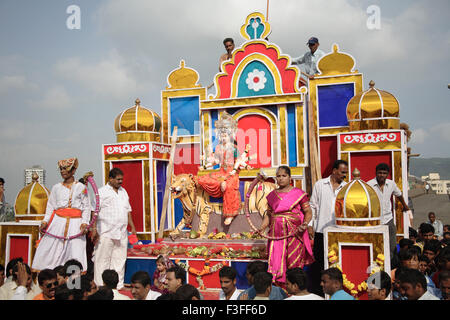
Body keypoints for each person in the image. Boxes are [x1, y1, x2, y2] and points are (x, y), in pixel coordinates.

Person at [32, 158, 91, 272]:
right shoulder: (56, 188)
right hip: (57, 223)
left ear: (73, 170)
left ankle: (74, 285)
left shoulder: (82, 188)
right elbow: (50, 206)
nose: (63, 171)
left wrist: (84, 223)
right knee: (49, 249)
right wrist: (45, 221)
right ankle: (48, 279)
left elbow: (87, 207)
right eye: (61, 169)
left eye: (66, 169)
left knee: (75, 252)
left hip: (76, 225)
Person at [259, 165, 314, 286]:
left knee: (293, 263)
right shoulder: (272, 195)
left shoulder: (298, 193)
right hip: (276, 235)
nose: (281, 178)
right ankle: (280, 290)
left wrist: (305, 224)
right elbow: (268, 215)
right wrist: (261, 228)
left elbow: (308, 212)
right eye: (278, 176)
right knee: (277, 262)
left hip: (294, 234)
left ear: (290, 178)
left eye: (284, 176)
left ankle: (295, 291)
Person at [93, 167, 136, 290]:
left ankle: (118, 285)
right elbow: (94, 211)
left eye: (121, 179)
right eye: (118, 179)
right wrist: (94, 229)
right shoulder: (101, 192)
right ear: (110, 179)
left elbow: (128, 211)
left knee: (119, 259)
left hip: (121, 232)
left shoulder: (123, 192)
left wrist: (132, 226)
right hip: (105, 231)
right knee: (102, 260)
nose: (120, 182)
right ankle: (100, 285)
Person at [309, 160, 348, 296]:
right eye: (342, 172)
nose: (345, 175)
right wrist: (310, 225)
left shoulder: (346, 187)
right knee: (319, 263)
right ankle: (319, 293)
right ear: (334, 170)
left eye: (346, 172)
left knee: (336, 264)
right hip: (321, 230)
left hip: (338, 232)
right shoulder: (320, 184)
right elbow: (312, 206)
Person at [197, 112, 242, 225]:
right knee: (202, 179)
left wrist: (234, 169)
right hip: (221, 172)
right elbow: (216, 161)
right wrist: (205, 166)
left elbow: (239, 161)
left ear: (230, 136)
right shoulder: (218, 148)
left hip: (232, 174)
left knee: (227, 186)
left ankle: (230, 214)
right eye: (221, 136)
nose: (223, 138)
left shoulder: (234, 148)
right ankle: (202, 206)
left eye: (225, 136)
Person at [367, 163, 410, 260]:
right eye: (380, 173)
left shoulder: (391, 184)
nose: (382, 175)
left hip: (388, 219)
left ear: (387, 174)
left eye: (384, 173)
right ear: (376, 173)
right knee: (376, 245)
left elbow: (399, 194)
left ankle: (392, 263)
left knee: (392, 245)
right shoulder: (369, 185)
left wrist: (405, 205)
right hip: (374, 220)